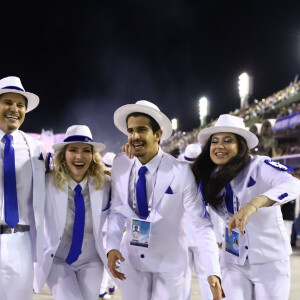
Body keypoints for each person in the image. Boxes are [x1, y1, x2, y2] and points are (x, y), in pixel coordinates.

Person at [106, 100, 222, 300]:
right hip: (131, 259)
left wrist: (213, 269)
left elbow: (201, 223)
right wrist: (112, 246)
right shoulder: (120, 164)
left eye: (141, 130)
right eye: (130, 131)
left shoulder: (180, 171)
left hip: (170, 264)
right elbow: (117, 209)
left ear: (158, 134)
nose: (134, 136)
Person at [192, 114, 300, 300]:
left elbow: (293, 185)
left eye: (228, 140)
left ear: (241, 145)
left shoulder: (259, 166)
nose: (219, 146)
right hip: (232, 259)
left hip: (269, 260)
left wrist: (255, 203)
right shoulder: (207, 176)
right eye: (214, 141)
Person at [33, 125, 111, 300]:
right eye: (73, 150)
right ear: (63, 154)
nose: (79, 156)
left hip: (92, 260)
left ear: (92, 156)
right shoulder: (47, 182)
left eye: (86, 151)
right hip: (58, 258)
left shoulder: (105, 184)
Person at [0, 76, 45, 300]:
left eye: (20, 105)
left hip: (22, 245)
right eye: (7, 102)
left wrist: (99, 171)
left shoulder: (35, 148)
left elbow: (56, 182)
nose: (14, 109)